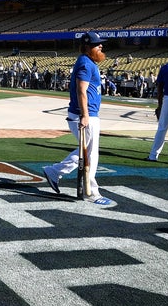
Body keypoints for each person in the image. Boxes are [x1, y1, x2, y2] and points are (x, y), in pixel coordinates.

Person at [42, 32, 115, 205]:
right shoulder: (85, 63)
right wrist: (85, 115)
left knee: (87, 153)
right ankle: (91, 192)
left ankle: (54, 172)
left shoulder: (88, 63)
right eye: (98, 45)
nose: (101, 47)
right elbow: (81, 90)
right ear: (89, 47)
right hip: (84, 114)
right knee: (90, 155)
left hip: (87, 113)